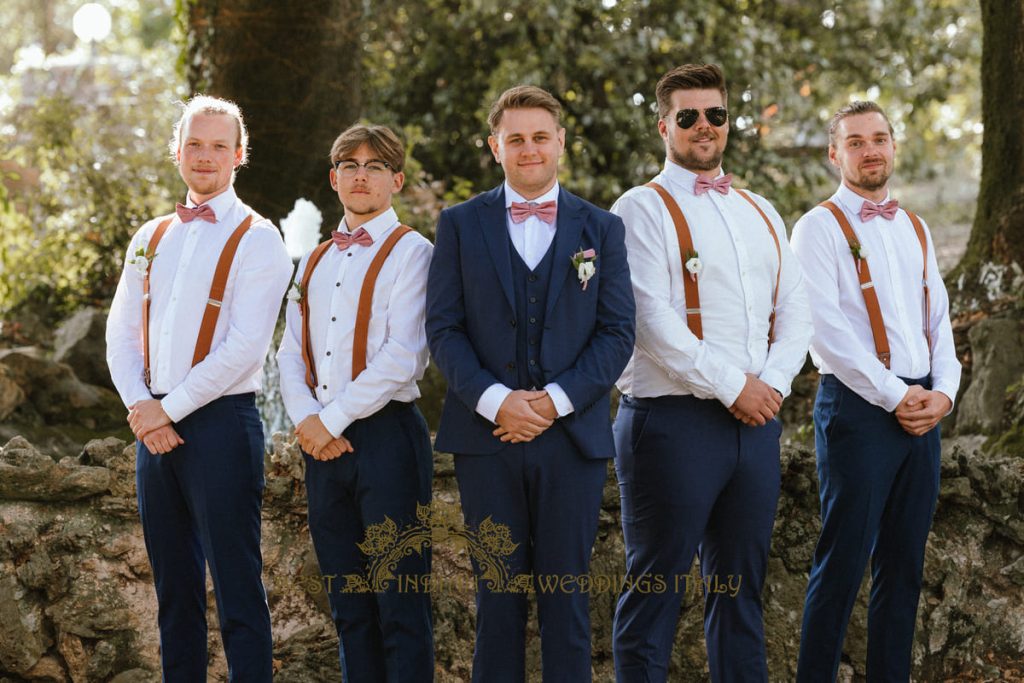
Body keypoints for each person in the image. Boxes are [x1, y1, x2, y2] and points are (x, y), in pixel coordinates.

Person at [609, 63, 813, 683]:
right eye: (689, 116)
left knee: (740, 593)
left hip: (755, 427)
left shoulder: (763, 212)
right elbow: (651, 321)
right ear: (664, 125)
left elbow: (795, 313)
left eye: (715, 115)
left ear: (729, 122)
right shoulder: (639, 208)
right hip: (671, 424)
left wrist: (772, 386)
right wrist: (737, 387)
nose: (704, 126)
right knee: (655, 592)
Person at [425, 84, 635, 682]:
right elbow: (443, 328)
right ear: (496, 147)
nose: (529, 149)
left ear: (561, 142)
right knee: (497, 598)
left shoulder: (603, 228)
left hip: (572, 443)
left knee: (566, 599)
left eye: (540, 137)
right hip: (485, 441)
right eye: (515, 139)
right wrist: (498, 401)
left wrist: (554, 401)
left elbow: (618, 333)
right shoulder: (461, 225)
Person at [105, 94, 292, 681]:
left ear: (239, 155)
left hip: (222, 425)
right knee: (173, 591)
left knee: (238, 590)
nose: (205, 156)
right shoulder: (151, 234)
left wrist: (166, 411)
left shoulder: (260, 238)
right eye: (194, 144)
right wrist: (141, 405)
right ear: (176, 151)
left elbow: (244, 348)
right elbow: (119, 334)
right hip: (151, 423)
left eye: (218, 146)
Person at [790, 101, 961, 682]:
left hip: (923, 411)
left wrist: (946, 393)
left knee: (904, 566)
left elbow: (938, 317)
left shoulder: (914, 226)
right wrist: (895, 395)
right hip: (858, 409)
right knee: (841, 565)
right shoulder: (816, 227)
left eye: (879, 139)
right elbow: (825, 332)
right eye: (856, 141)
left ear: (893, 146)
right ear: (835, 153)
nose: (870, 150)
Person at [276, 124, 434, 681]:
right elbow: (289, 353)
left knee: (400, 604)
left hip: (388, 438)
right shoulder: (313, 260)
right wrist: (307, 422)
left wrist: (330, 420)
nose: (360, 175)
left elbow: (402, 356)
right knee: (348, 605)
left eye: (373, 165)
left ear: (396, 178)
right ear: (333, 178)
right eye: (350, 164)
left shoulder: (415, 252)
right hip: (322, 448)